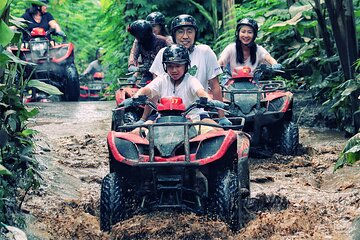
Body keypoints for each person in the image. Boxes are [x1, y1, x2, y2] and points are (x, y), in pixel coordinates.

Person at [147, 14, 231, 126]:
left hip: (197, 112)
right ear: (174, 34)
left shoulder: (205, 52)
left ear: (195, 34)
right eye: (180, 32)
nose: (185, 36)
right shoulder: (164, 53)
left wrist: (222, 117)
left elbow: (215, 86)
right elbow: (154, 91)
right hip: (165, 114)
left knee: (217, 134)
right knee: (139, 134)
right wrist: (145, 118)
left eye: (190, 31)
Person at [122, 44, 226, 127]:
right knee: (139, 132)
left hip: (193, 117)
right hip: (163, 118)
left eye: (178, 66)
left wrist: (209, 101)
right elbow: (146, 90)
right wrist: (136, 97)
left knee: (216, 130)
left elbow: (201, 92)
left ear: (186, 66)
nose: (174, 70)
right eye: (170, 66)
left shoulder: (191, 80)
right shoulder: (162, 79)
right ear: (165, 66)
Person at [218, 18, 282, 73]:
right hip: (231, 84)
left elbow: (269, 58)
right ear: (238, 33)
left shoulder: (258, 49)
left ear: (254, 35)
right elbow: (221, 61)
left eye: (250, 32)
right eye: (243, 32)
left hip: (253, 84)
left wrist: (275, 65)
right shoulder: (231, 48)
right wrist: (217, 67)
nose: (246, 35)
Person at [127, 19, 170, 85]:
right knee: (142, 91)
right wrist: (132, 65)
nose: (139, 39)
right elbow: (133, 54)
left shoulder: (163, 41)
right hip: (148, 74)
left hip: (165, 74)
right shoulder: (138, 42)